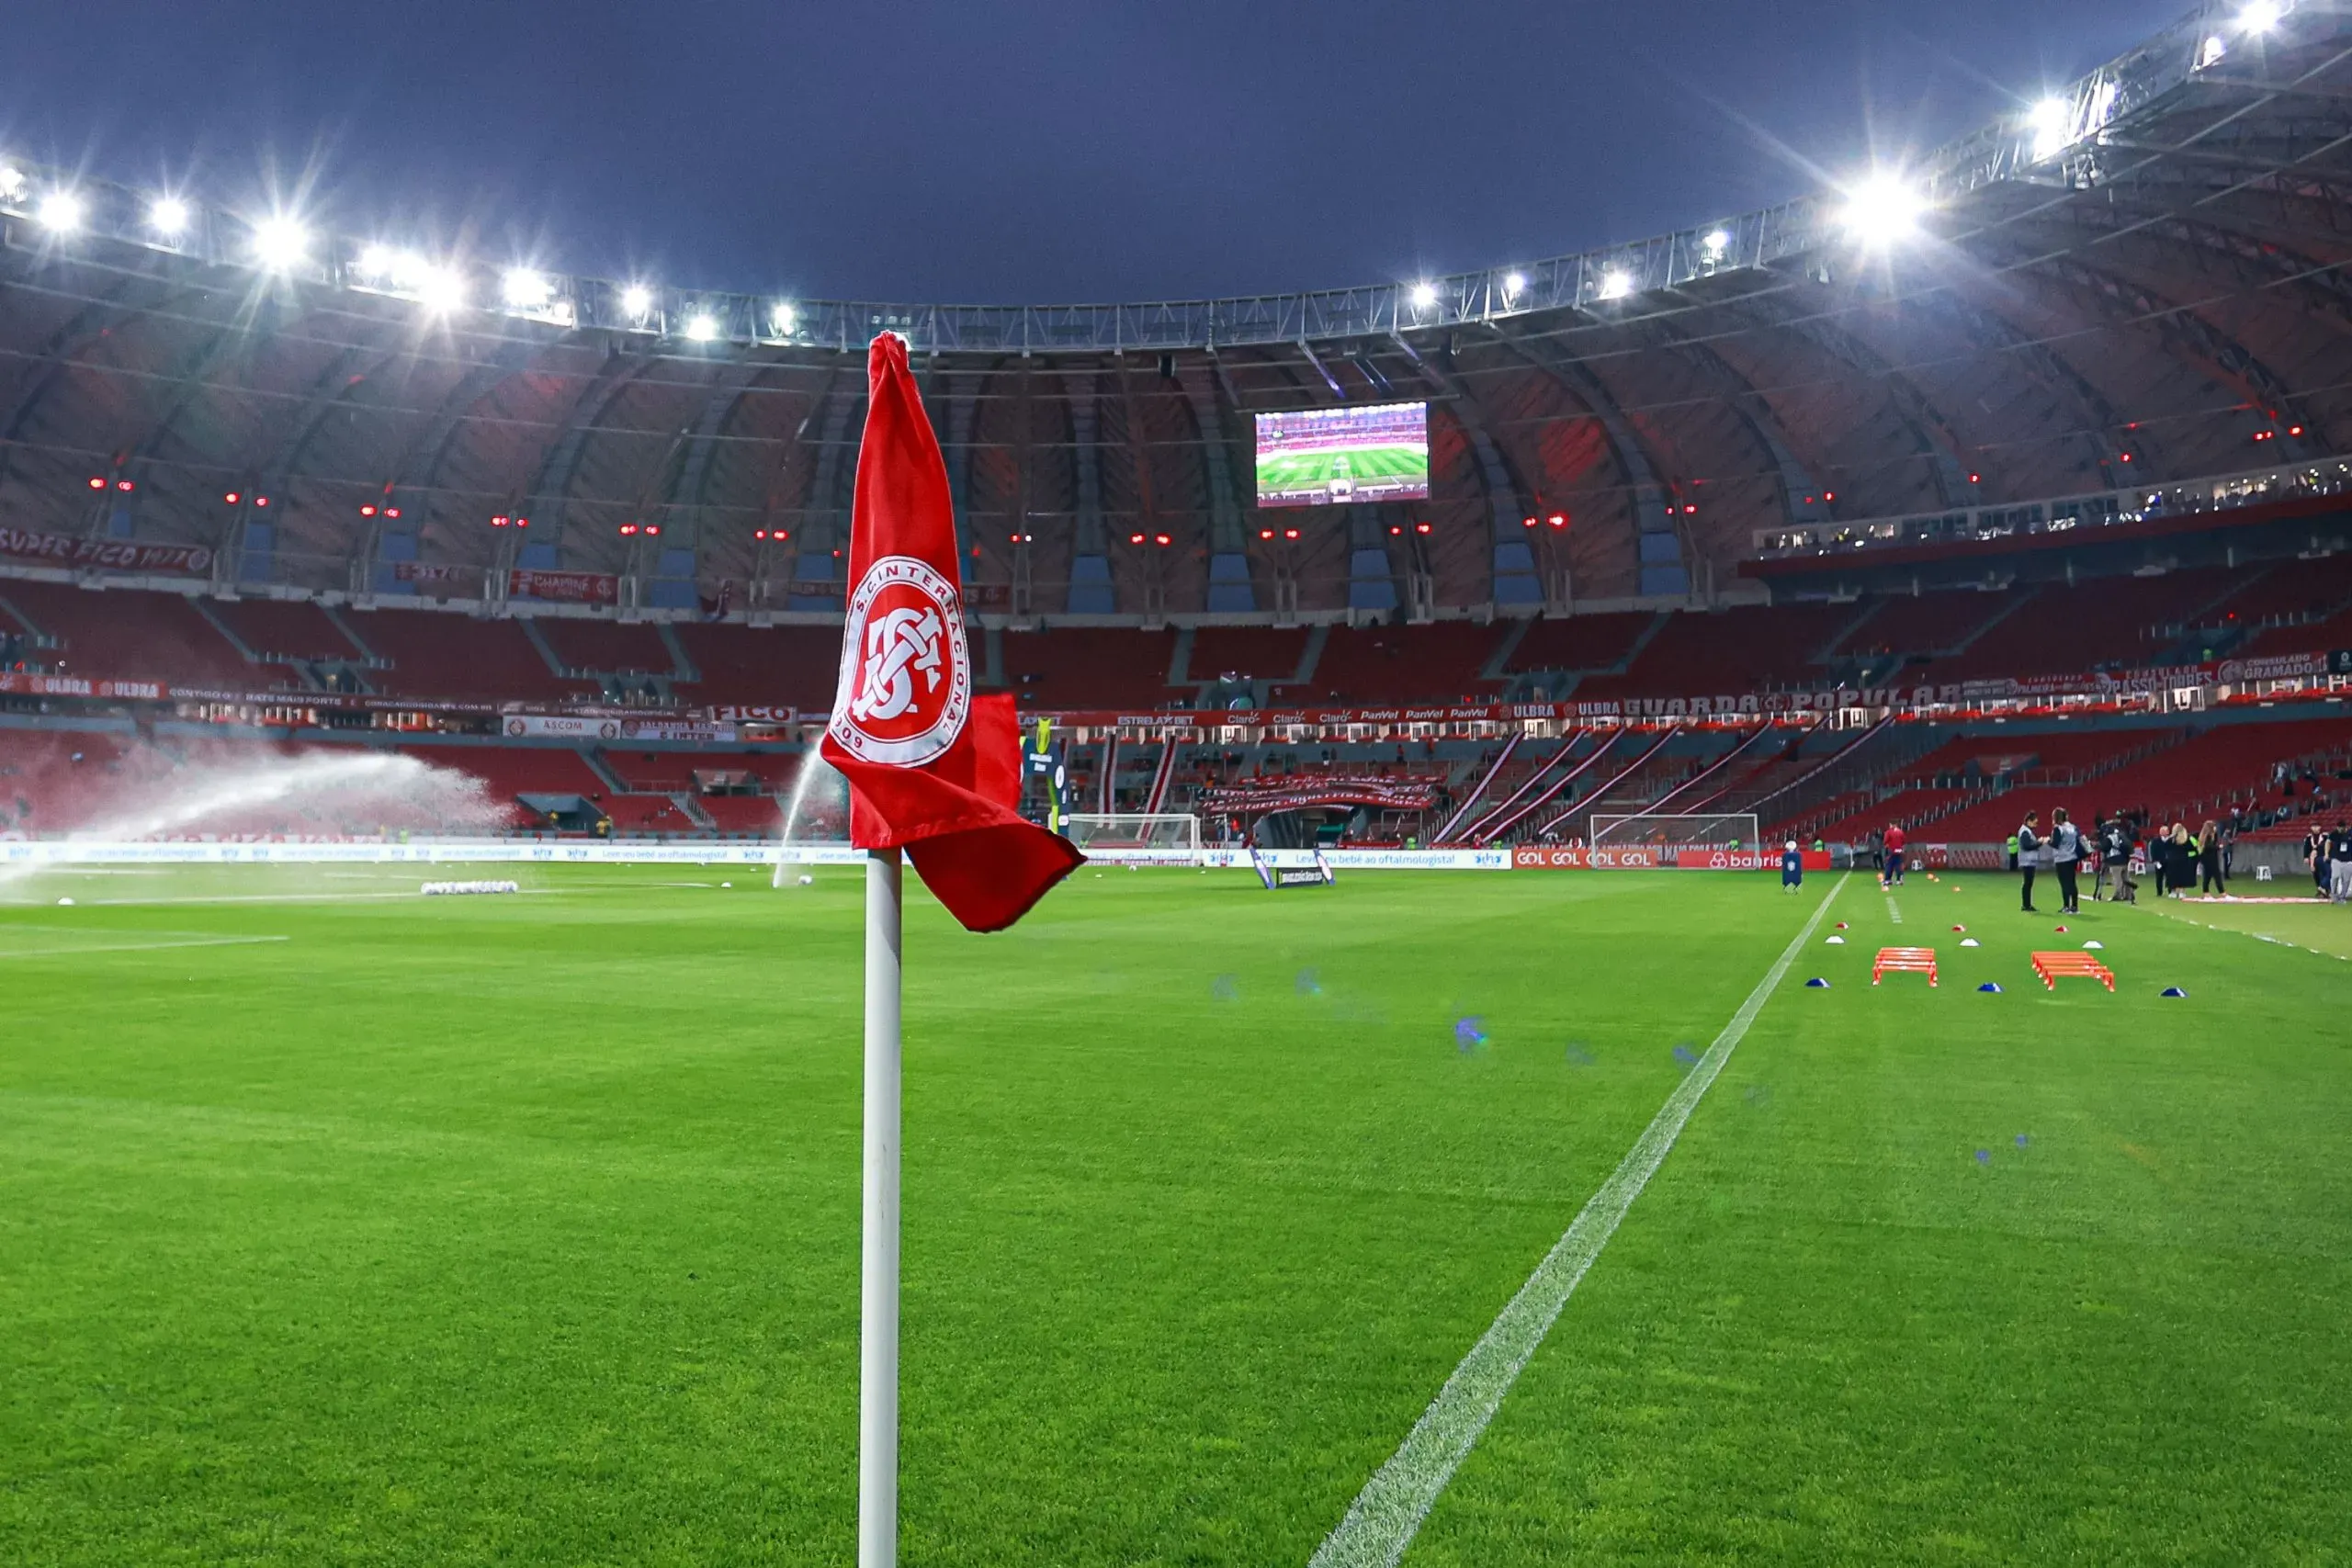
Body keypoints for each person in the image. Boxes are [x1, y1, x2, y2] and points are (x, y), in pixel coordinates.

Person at [2050, 807, 2082, 916]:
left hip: (2061, 859)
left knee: (2064, 883)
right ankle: (2075, 906)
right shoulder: (2073, 827)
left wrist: (2047, 841)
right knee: (2072, 882)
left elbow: (2055, 844)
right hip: (2072, 857)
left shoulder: (2058, 829)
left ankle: (2066, 906)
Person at [2017, 810, 2044, 913]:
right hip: (2027, 861)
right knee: (2027, 883)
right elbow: (2027, 846)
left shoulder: (2027, 831)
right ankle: (2026, 905)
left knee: (2028, 883)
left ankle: (2027, 904)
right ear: (2029, 821)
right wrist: (2039, 843)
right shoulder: (2025, 831)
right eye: (2034, 822)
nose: (2035, 825)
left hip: (2029, 861)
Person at [2197, 818, 2226, 896]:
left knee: (2207, 875)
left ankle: (2206, 892)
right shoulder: (2207, 837)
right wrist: (2218, 847)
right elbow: (2208, 847)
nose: (2215, 828)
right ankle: (2222, 892)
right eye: (2214, 826)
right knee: (2217, 875)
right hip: (2210, 858)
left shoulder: (2210, 836)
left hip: (2209, 858)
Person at [1882, 820, 1907, 890]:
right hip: (1899, 851)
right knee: (1898, 865)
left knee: (1889, 865)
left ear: (1891, 824)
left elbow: (1885, 841)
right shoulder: (1900, 832)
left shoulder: (1888, 832)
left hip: (1891, 851)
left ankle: (1888, 880)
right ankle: (1899, 880)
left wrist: (1887, 846)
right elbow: (1903, 841)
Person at [2333, 821, 2352, 904]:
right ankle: (2338, 896)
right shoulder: (2345, 834)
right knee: (2339, 878)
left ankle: (2342, 895)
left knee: (2346, 879)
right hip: (2343, 860)